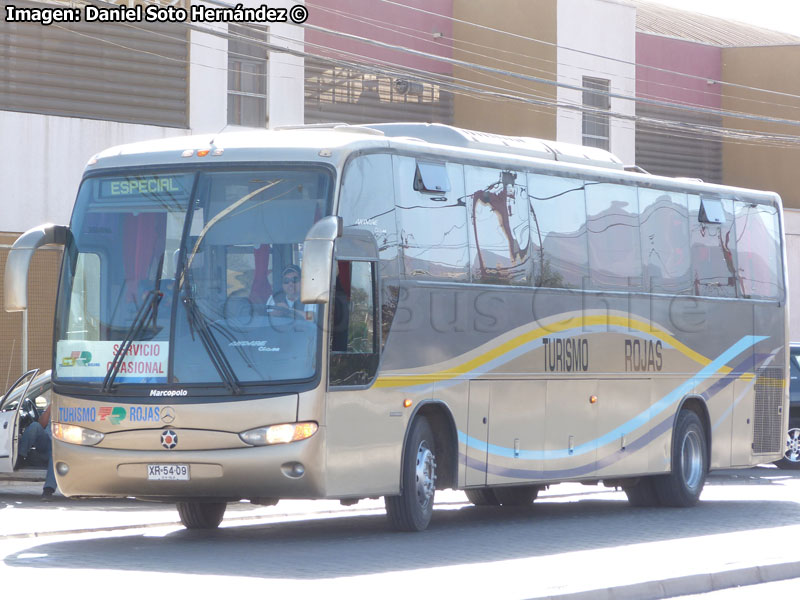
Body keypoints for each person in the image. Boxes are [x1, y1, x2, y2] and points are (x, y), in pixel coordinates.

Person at [18, 404, 57, 501]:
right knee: (35, 426)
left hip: (61, 449)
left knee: (55, 455)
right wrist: (49, 410)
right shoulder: (55, 403)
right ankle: (20, 457)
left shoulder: (76, 408)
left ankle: (48, 490)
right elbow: (41, 424)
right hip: (45, 444)